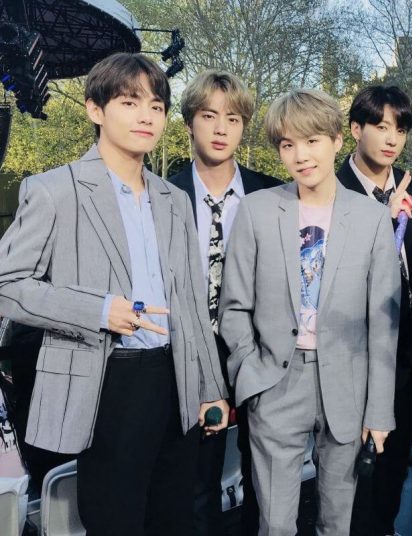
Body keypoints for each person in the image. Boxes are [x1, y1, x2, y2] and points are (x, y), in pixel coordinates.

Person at [0, 52, 229, 535]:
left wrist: (212, 388)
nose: (146, 116)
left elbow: (191, 303)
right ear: (95, 109)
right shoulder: (55, 190)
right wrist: (99, 311)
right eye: (129, 102)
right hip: (104, 380)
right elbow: (7, 285)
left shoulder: (174, 199)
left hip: (176, 380)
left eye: (156, 106)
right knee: (115, 521)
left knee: (176, 520)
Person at [219, 88, 401, 535]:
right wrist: (249, 373)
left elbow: (384, 326)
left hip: (347, 387)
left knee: (337, 523)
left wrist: (379, 412)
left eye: (312, 140)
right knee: (275, 524)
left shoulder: (372, 218)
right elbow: (234, 306)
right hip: (274, 383)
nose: (301, 155)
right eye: (288, 144)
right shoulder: (257, 211)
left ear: (338, 140)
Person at [169, 69, 281, 536]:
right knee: (197, 483)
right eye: (208, 116)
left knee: (265, 479)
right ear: (189, 122)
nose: (220, 129)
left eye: (232, 119)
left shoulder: (273, 194)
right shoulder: (165, 194)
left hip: (259, 352)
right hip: (189, 355)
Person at [338, 85, 412, 536]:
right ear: (356, 129)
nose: (392, 139)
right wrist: (380, 217)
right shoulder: (332, 189)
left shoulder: (411, 187)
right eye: (381, 126)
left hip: (406, 350)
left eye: (401, 129)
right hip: (351, 351)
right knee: (352, 469)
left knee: (393, 463)